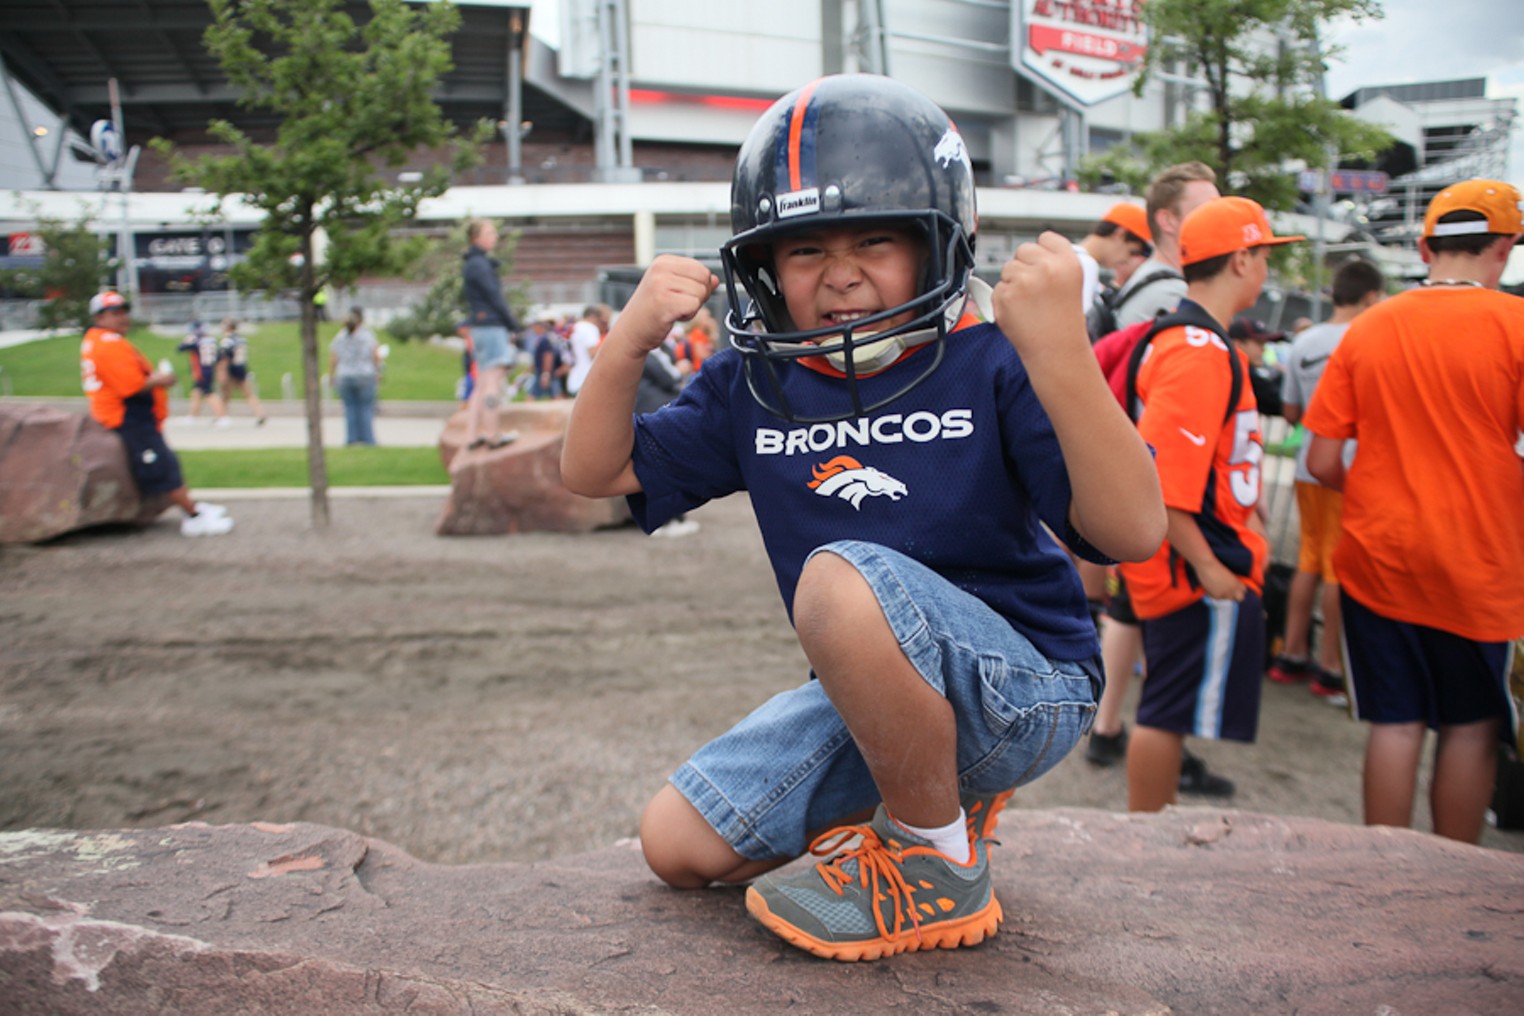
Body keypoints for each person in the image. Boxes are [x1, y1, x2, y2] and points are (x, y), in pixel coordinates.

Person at [561, 74, 1165, 961]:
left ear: (935, 247)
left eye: (875, 240)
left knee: (838, 580)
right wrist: (627, 342)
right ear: (765, 270)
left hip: (1029, 685)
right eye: (805, 251)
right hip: (870, 698)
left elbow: (1132, 534)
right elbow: (594, 470)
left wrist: (1061, 357)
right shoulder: (758, 384)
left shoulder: (991, 358)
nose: (841, 273)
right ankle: (919, 802)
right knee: (674, 846)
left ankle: (935, 861)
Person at [1302, 179, 1524, 844]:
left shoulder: (1369, 327)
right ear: (1504, 248)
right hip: (1479, 562)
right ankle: (1450, 883)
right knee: (1471, 726)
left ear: (1427, 246)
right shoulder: (1515, 326)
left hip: (1380, 554)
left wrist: (1373, 488)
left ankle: (1385, 873)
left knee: (1395, 723)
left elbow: (1318, 461)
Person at [1118, 195, 1304, 813]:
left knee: (1167, 704)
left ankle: (1151, 832)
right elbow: (1163, 484)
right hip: (1190, 566)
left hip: (1192, 556)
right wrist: (1209, 567)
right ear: (1242, 259)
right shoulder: (1198, 347)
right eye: (1264, 256)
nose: (1267, 270)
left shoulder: (1197, 339)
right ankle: (1149, 839)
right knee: (1166, 709)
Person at [1084, 162, 1230, 798]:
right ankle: (1151, 737)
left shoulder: (1141, 282)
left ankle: (1110, 724)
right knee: (1160, 612)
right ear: (1169, 220)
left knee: (1128, 606)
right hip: (1152, 479)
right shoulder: (1169, 294)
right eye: (1206, 205)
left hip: (1128, 467)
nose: (1219, 213)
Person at [1268, 259, 1386, 702]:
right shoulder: (1371, 338)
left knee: (1309, 558)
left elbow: (1292, 413)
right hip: (1350, 469)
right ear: (1371, 296)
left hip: (1306, 467)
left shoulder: (1305, 341)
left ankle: (1292, 652)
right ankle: (1331, 667)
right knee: (1340, 566)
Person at [79, 292, 233, 537]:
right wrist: (163, 379)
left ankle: (193, 509)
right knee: (161, 465)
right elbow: (131, 385)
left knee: (165, 461)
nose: (123, 317)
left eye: (124, 311)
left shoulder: (99, 340)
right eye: (115, 313)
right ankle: (193, 517)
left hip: (128, 414)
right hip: (127, 416)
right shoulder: (107, 343)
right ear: (99, 316)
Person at [1106, 161, 1220, 331]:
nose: (1218, 219)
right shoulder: (1172, 294)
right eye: (1205, 210)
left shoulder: (1156, 281)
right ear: (1167, 221)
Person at [460, 219, 520, 450]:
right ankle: (493, 434)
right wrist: (512, 324)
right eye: (489, 232)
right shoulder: (480, 264)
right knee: (493, 381)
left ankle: (472, 435)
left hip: (479, 327)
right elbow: (494, 296)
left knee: (482, 382)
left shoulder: (471, 263)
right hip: (492, 326)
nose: (494, 236)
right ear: (476, 237)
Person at [1075, 202, 1154, 339]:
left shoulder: (1067, 256)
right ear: (1119, 234)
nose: (1126, 260)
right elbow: (1084, 330)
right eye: (1132, 252)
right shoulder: (1085, 264)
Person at [328, 307, 383, 446]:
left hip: (344, 375)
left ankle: (351, 439)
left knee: (350, 408)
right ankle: (368, 439)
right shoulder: (367, 335)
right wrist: (378, 371)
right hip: (365, 374)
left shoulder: (339, 336)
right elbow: (375, 355)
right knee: (365, 407)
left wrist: (331, 375)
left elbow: (334, 358)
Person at [176, 318, 229, 427]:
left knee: (209, 394)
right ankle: (192, 416)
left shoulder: (196, 341)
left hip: (202, 371)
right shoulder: (210, 340)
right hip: (209, 369)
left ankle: (223, 417)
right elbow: (219, 356)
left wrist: (187, 340)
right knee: (196, 393)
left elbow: (180, 348)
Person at [215, 318, 267, 425]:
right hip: (242, 367)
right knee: (248, 394)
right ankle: (260, 413)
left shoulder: (227, 340)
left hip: (231, 368)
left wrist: (222, 371)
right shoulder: (241, 339)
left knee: (225, 393)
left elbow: (225, 357)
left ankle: (222, 416)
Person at [565, 303, 609, 397]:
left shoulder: (575, 327)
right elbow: (594, 353)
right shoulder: (589, 328)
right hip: (586, 380)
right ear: (593, 317)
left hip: (575, 379)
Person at [528, 317, 569, 399]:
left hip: (545, 372)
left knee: (532, 396)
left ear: (539, 327)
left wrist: (546, 373)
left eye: (534, 327)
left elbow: (548, 356)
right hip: (550, 372)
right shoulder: (549, 338)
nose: (533, 330)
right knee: (556, 395)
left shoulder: (544, 340)